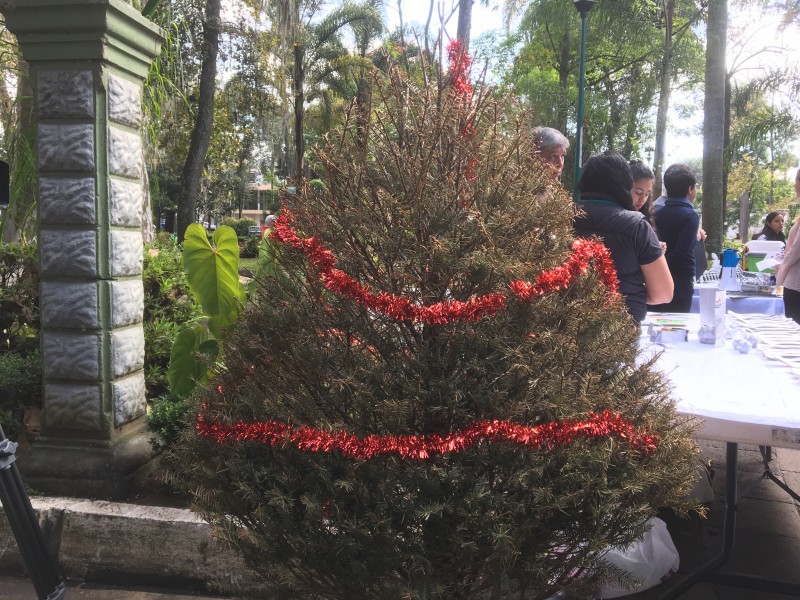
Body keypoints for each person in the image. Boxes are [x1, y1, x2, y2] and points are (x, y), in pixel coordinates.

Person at [574, 151, 673, 322]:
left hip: (565, 327)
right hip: (620, 330)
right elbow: (663, 294)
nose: (643, 198)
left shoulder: (560, 217)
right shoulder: (636, 226)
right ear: (626, 183)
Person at [648, 163, 700, 313]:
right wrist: (695, 238)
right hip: (680, 279)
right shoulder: (690, 216)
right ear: (690, 189)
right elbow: (681, 252)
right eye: (695, 187)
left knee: (655, 320)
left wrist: (657, 264)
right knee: (676, 323)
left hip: (655, 277)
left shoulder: (656, 213)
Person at [776, 171, 800, 324]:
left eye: (796, 180)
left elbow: (796, 249)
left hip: (796, 283)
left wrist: (782, 267)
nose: (794, 184)